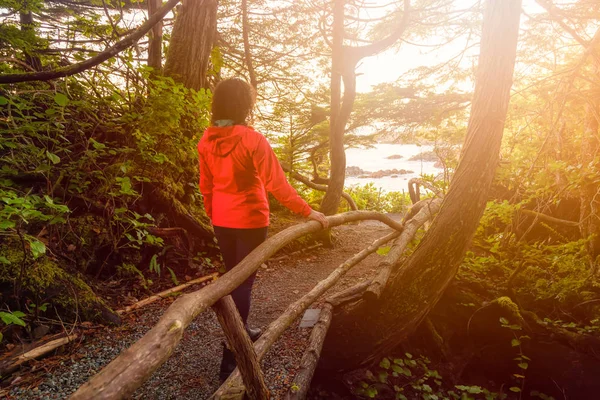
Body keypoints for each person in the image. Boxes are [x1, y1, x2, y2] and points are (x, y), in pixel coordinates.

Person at [197, 77, 329, 382]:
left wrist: (214, 214)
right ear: (245, 105)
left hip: (222, 220)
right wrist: (308, 211)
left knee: (233, 279)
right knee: (242, 285)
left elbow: (207, 187)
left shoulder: (207, 140)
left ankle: (242, 330)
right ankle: (232, 353)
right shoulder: (253, 140)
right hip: (251, 221)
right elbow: (277, 185)